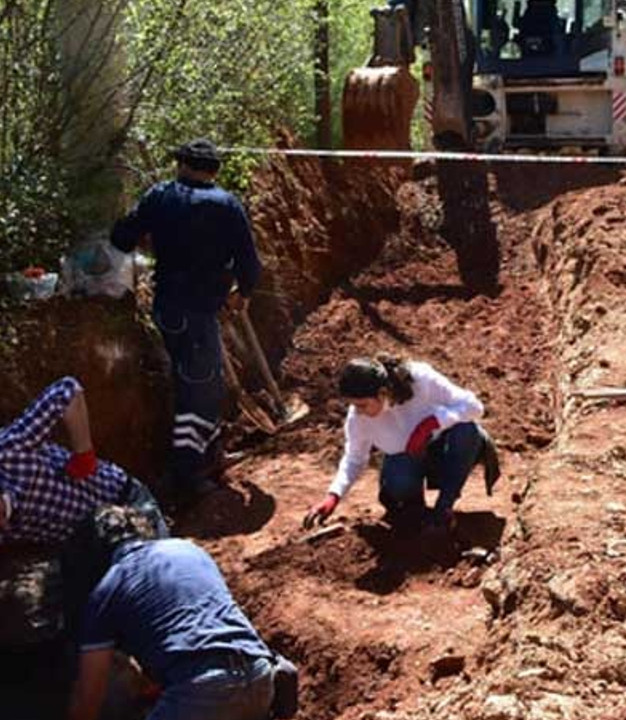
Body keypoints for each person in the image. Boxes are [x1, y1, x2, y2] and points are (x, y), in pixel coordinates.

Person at [0, 376, 167, 707]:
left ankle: (175, 672)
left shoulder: (7, 451)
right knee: (87, 622)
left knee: (155, 584)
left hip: (126, 505)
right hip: (85, 543)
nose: (4, 525)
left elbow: (68, 389)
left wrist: (84, 453)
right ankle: (137, 687)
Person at [111, 138, 263, 503]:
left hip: (166, 309)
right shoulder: (227, 205)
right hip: (197, 311)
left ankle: (210, 456)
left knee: (194, 382)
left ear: (183, 165)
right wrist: (241, 294)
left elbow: (121, 238)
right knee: (202, 391)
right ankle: (188, 473)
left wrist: (156, 239)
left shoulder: (160, 195)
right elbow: (249, 264)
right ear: (213, 170)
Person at [69, 505, 293, 720]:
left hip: (201, 690)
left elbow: (89, 697)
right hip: (260, 677)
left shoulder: (107, 590)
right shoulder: (190, 550)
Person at [303, 356, 500, 534]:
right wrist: (333, 496)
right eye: (354, 405)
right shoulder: (357, 418)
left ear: (382, 393)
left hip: (445, 449)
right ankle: (416, 514)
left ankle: (443, 509)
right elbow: (354, 459)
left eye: (362, 405)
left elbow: (474, 407)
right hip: (407, 460)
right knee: (400, 487)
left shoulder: (420, 380)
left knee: (466, 430)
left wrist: (429, 425)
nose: (358, 411)